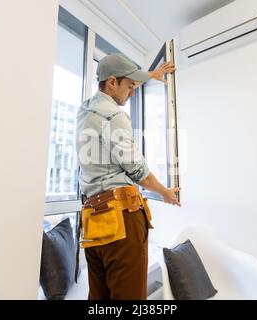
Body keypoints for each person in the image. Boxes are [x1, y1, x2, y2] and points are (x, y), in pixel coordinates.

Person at [76, 52, 180, 300]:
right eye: (130, 87)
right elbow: (138, 171)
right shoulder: (114, 116)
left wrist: (151, 75)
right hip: (121, 218)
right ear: (112, 82)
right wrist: (164, 192)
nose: (132, 92)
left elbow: (122, 84)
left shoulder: (85, 111)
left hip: (92, 220)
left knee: (99, 298)